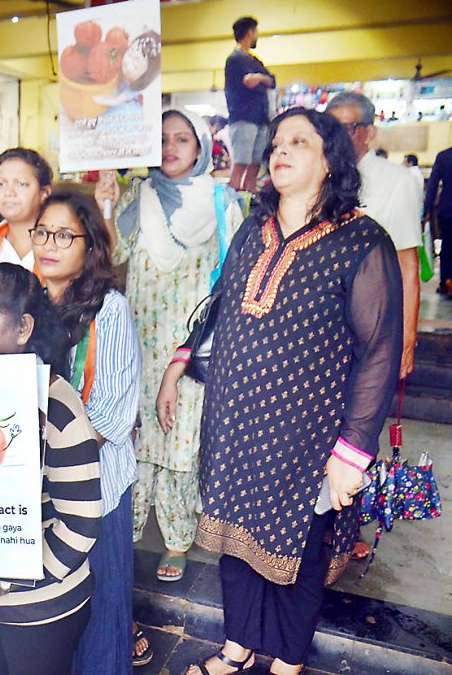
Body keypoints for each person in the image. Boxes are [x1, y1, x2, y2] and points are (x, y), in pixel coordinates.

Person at [182, 107, 402, 675]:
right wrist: (184, 355)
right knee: (237, 542)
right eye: (277, 142)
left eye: (298, 143)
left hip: (308, 433)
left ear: (330, 161)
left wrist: (352, 451)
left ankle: (286, 658)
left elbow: (379, 350)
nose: (280, 151)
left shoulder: (361, 242)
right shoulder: (253, 231)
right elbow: (223, 306)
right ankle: (237, 646)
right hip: (236, 423)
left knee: (300, 550)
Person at [96, 110, 244, 585]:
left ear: (200, 148)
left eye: (182, 138)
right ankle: (133, 523)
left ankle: (178, 538)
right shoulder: (141, 194)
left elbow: (236, 275)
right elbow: (114, 255)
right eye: (160, 138)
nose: (171, 147)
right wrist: (105, 209)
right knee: (138, 433)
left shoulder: (222, 201)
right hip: (141, 339)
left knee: (182, 437)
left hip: (192, 346)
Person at [0, 263, 102, 675]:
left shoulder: (56, 404)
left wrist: (3, 584)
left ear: (23, 328)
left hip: (41, 608)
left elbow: (81, 523)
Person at [30, 193, 142, 673]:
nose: (48, 244)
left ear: (89, 246)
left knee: (98, 611)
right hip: (32, 489)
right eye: (42, 232)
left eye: (63, 235)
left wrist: (49, 452)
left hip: (95, 484)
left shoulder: (108, 309)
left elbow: (113, 414)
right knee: (48, 618)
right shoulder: (21, 296)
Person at [327, 92, 421, 380]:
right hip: (322, 325)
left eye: (347, 128)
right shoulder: (318, 177)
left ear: (369, 133)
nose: (337, 138)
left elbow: (407, 265)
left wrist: (407, 338)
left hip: (371, 328)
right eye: (331, 129)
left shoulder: (397, 181)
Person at [0, 148, 53, 274]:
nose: (8, 192)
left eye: (20, 183)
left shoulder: (59, 249)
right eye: (1, 184)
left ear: (44, 193)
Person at [224, 16, 276, 193]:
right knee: (241, 162)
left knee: (256, 163)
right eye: (256, 32)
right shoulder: (234, 59)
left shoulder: (255, 61)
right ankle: (232, 201)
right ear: (250, 32)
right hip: (243, 118)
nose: (257, 36)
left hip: (261, 118)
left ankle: (249, 198)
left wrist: (259, 78)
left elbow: (272, 80)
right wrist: (262, 79)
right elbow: (249, 81)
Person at [425, 145, 452, 296]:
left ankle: (444, 282)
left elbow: (433, 185)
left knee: (447, 246)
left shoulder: (444, 156)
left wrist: (427, 209)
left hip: (447, 210)